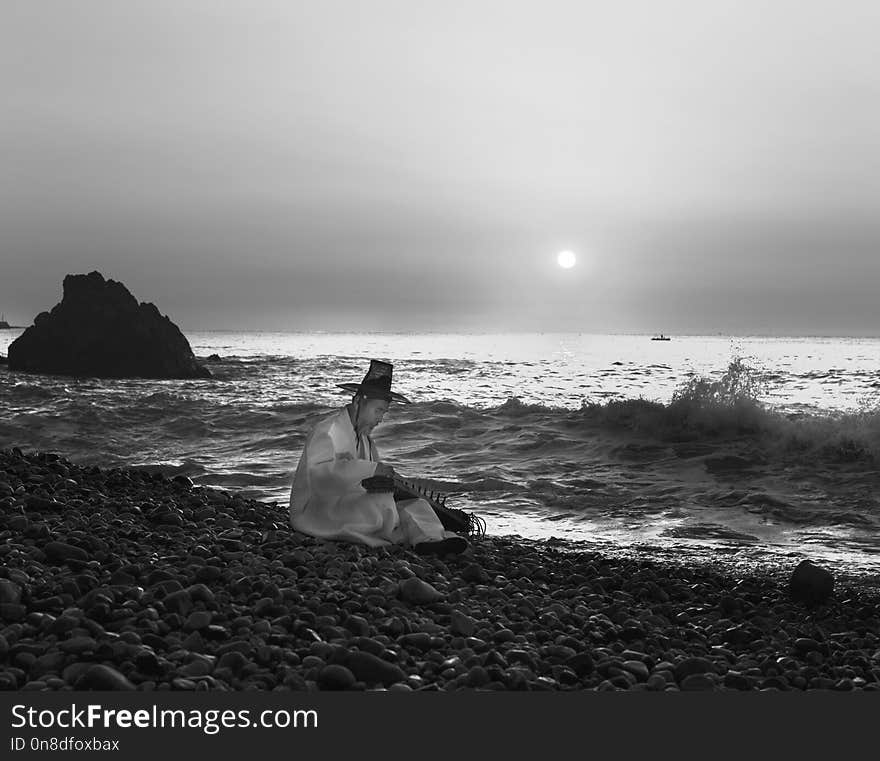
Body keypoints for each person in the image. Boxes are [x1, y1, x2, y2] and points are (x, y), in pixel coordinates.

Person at [289, 359, 468, 555]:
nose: (381, 418)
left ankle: (430, 540)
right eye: (378, 410)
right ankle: (409, 535)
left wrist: (385, 479)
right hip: (317, 511)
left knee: (417, 504)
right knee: (382, 502)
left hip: (349, 504)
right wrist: (371, 470)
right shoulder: (328, 430)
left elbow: (370, 478)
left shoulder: (366, 440)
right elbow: (320, 475)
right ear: (358, 402)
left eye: (384, 412)